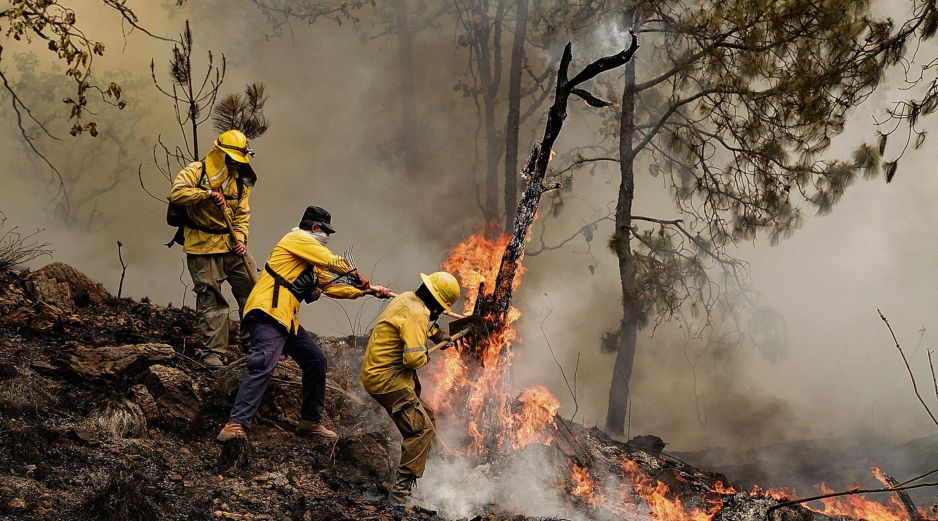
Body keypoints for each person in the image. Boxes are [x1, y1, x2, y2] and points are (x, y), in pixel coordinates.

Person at [217, 205, 392, 442]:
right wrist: (356, 274)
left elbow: (330, 286)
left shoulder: (310, 263)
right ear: (314, 227)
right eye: (326, 232)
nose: (327, 238)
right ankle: (235, 424)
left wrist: (368, 292)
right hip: (267, 311)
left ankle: (310, 422)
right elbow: (332, 261)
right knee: (263, 363)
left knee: (315, 360)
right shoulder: (296, 239)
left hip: (286, 319)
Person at [359, 271, 460, 504]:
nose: (440, 312)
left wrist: (438, 335)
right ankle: (401, 493)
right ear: (436, 302)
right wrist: (426, 354)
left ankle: (435, 471)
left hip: (378, 372)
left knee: (429, 416)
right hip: (388, 380)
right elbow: (413, 360)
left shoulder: (407, 298)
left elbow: (419, 324)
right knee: (420, 430)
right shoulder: (417, 314)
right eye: (441, 307)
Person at [170, 129, 258, 368]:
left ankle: (257, 344)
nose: (232, 164)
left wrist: (240, 238)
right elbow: (176, 192)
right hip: (202, 245)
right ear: (220, 153)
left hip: (232, 245)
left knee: (252, 292)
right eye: (229, 159)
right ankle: (213, 352)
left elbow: (243, 215)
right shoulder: (197, 171)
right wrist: (206, 194)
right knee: (212, 300)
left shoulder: (241, 180)